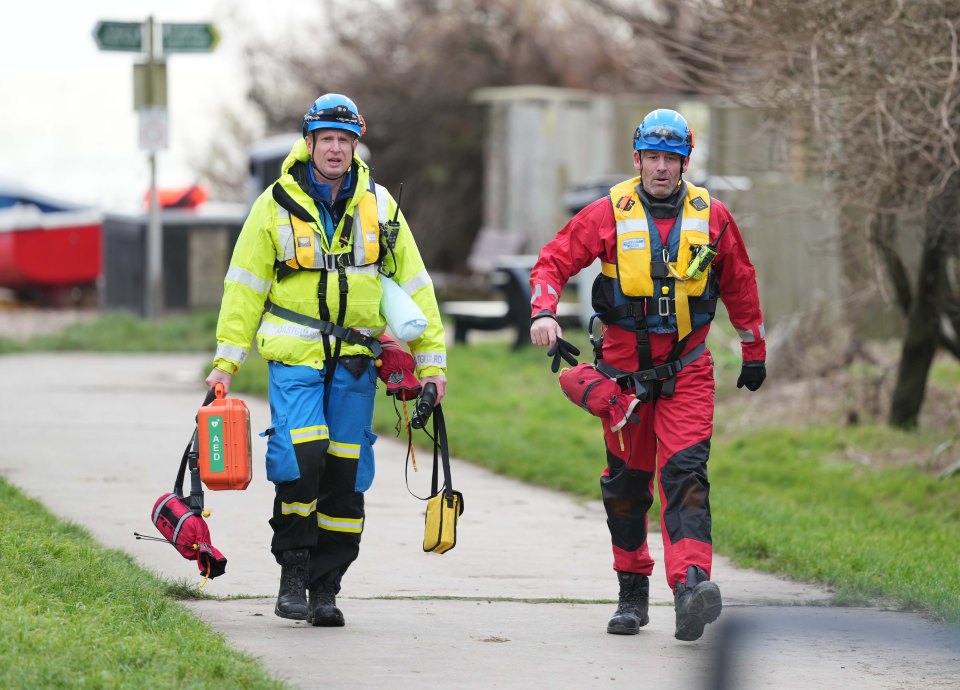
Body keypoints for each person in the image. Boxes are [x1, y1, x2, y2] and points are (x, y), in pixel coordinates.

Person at [206, 93, 447, 627]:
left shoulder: (381, 206)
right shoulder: (273, 205)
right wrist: (226, 362)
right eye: (327, 139)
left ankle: (327, 587)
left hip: (357, 359)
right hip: (294, 355)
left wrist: (432, 364)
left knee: (345, 469)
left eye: (345, 140)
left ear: (355, 146)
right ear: (309, 142)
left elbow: (415, 285)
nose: (336, 149)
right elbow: (243, 287)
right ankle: (293, 572)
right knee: (300, 458)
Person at [529, 108, 766, 642]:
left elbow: (742, 285)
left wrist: (754, 350)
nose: (661, 168)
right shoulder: (608, 213)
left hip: (687, 372)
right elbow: (552, 262)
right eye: (653, 158)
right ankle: (632, 594)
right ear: (637, 159)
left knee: (685, 479)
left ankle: (691, 588)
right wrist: (544, 310)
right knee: (627, 489)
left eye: (671, 159)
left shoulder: (714, 216)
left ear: (686, 162)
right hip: (622, 381)